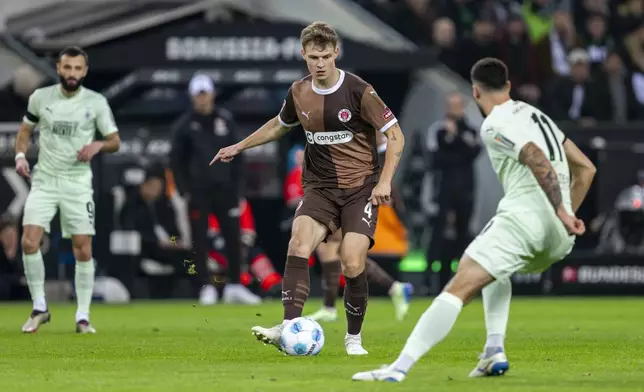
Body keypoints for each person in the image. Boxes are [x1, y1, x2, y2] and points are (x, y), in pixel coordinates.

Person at [352, 57, 596, 382]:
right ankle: (494, 351)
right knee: (499, 271)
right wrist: (564, 214)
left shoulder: (494, 124)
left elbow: (536, 158)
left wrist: (561, 211)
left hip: (525, 221)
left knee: (458, 286)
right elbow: (586, 168)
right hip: (559, 237)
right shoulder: (538, 117)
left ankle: (397, 369)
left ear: (476, 92)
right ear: (508, 86)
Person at [211, 21, 406, 356]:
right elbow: (279, 125)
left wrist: (385, 181)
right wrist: (239, 146)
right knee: (299, 243)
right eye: (313, 56)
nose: (319, 63)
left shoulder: (359, 91)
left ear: (336, 54)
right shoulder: (299, 92)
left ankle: (353, 338)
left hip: (360, 189)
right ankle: (287, 327)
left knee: (352, 262)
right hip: (319, 188)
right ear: (303, 54)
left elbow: (396, 135)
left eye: (326, 56)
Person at [14, 46, 121, 333]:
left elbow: (115, 140)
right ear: (59, 69)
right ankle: (39, 307)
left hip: (76, 182)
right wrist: (21, 157)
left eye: (77, 69)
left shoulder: (96, 102)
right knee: (28, 242)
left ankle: (83, 316)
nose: (72, 73)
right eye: (67, 68)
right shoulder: (40, 98)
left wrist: (98, 144)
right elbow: (25, 131)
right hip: (45, 179)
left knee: (82, 248)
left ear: (84, 72)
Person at [302, 134, 413, 323]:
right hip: (348, 193)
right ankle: (394, 288)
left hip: (360, 197)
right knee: (337, 249)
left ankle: (330, 307)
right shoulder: (362, 142)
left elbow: (385, 174)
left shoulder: (382, 146)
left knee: (334, 245)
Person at [170, 74, 260, 305]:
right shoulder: (183, 125)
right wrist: (184, 190)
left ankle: (235, 285)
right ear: (192, 97)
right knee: (198, 240)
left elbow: (240, 156)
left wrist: (239, 190)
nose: (203, 99)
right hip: (198, 192)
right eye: (198, 95)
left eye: (205, 93)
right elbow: (176, 161)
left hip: (226, 190)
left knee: (233, 238)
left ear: (212, 94)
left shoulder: (225, 120)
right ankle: (205, 287)